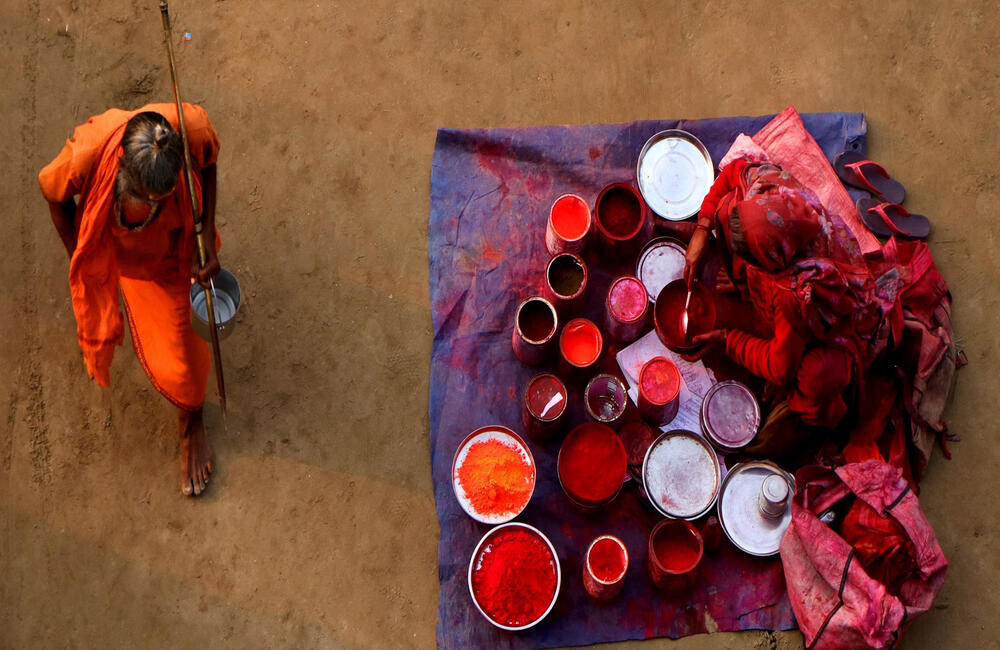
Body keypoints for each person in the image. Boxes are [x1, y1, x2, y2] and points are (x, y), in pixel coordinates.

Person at [39, 102, 221, 496]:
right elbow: (51, 192)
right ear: (121, 166)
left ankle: (191, 422)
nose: (154, 206)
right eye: (145, 198)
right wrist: (84, 259)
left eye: (165, 196)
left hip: (175, 258)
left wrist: (205, 232)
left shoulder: (190, 127)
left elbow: (207, 165)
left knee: (187, 356)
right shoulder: (88, 153)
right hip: (117, 255)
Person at [682, 157, 885, 457]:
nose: (746, 265)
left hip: (839, 326)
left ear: (774, 264)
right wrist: (702, 229)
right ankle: (745, 277)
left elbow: (779, 369)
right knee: (727, 208)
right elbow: (734, 171)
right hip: (783, 265)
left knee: (815, 376)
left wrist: (728, 341)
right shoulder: (773, 191)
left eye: (752, 263)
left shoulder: (796, 293)